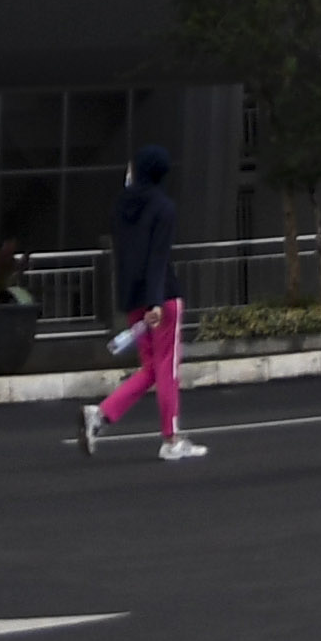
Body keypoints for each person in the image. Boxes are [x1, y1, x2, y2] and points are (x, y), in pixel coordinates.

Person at [80, 141, 198, 456]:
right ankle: (171, 440)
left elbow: (132, 255)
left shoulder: (120, 206)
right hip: (162, 297)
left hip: (132, 299)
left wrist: (144, 301)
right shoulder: (164, 207)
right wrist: (156, 301)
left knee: (150, 370)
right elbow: (157, 257)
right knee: (167, 368)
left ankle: (102, 414)